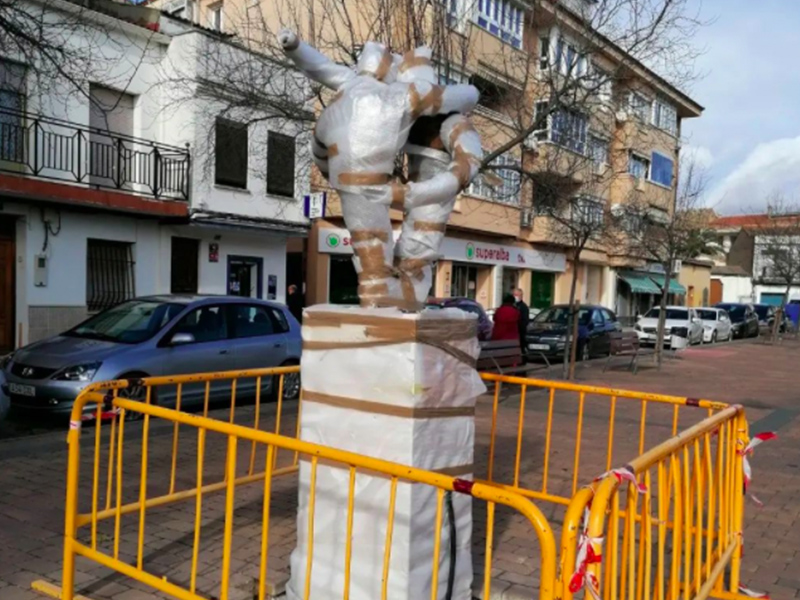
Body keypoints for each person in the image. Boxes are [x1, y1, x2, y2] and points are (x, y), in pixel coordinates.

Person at [513, 288, 530, 357]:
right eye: (514, 295)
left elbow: (525, 320)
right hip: (513, 332)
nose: (515, 296)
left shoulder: (523, 307)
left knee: (521, 347)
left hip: (520, 332)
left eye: (516, 295)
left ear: (521, 296)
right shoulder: (512, 305)